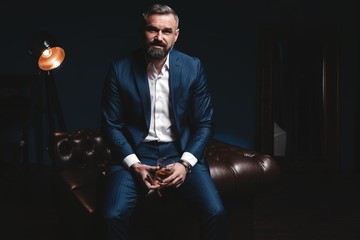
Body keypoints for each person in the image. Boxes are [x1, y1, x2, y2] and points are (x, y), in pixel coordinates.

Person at [101, 3, 226, 240]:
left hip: (180, 152)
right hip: (136, 155)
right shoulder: (120, 70)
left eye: (166, 31)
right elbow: (111, 125)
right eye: (152, 30)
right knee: (112, 216)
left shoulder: (192, 67)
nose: (159, 37)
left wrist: (186, 163)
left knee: (215, 212)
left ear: (176, 35)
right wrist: (134, 164)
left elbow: (204, 123)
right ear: (142, 32)